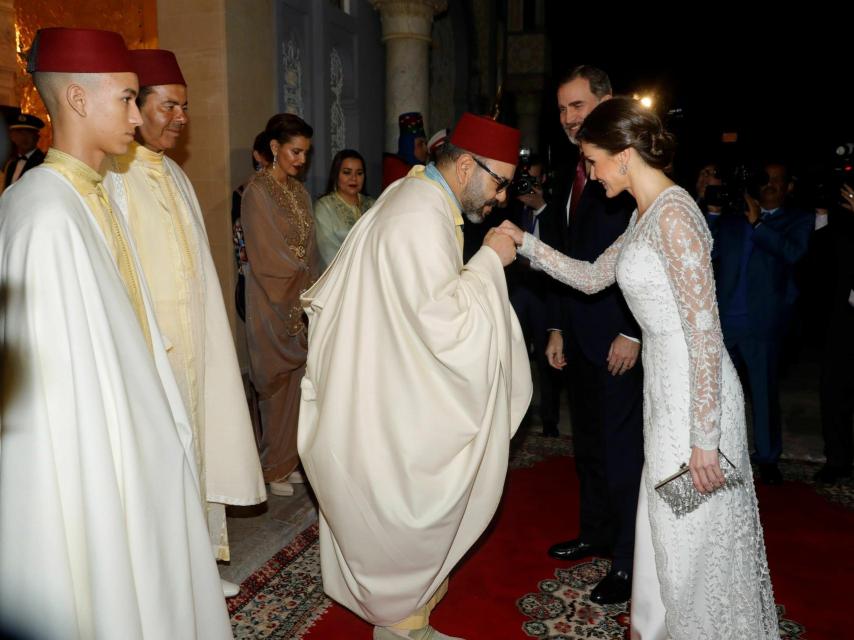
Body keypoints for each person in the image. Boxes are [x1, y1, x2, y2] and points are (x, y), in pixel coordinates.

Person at [497, 97, 777, 639]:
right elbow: (591, 277)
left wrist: (705, 438)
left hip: (696, 399)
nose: (590, 172)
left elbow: (704, 334)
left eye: (594, 161)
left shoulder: (675, 216)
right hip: (664, 392)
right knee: (665, 527)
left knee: (690, 535)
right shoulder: (643, 213)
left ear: (624, 156)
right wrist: (525, 242)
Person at [0, 27, 231, 639]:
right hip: (88, 454)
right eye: (128, 98)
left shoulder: (92, 194)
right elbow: (49, 394)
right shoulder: (42, 212)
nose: (138, 115)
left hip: (132, 434)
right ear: (77, 99)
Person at [298, 113, 532, 640]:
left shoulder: (421, 197)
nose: (499, 199)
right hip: (390, 391)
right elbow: (444, 325)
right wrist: (491, 262)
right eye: (498, 184)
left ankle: (409, 617)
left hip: (386, 374)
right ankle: (401, 627)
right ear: (468, 166)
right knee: (406, 501)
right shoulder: (420, 213)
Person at [104, 49, 266, 590]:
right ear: (134, 108)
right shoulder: (111, 180)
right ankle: (165, 576)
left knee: (194, 452)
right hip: (150, 354)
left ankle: (197, 564)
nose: (182, 118)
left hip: (193, 347)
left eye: (185, 106)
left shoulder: (175, 174)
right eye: (169, 106)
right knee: (156, 464)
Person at [531, 66, 644, 605]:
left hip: (619, 334)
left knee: (624, 449)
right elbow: (565, 255)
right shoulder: (568, 170)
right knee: (589, 445)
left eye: (577, 106)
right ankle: (596, 532)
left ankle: (627, 559)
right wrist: (555, 325)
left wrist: (632, 331)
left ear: (607, 101)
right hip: (575, 330)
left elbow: (645, 260)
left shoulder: (628, 168)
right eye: (561, 109)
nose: (568, 119)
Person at [706, 162, 813, 484]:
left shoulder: (798, 220)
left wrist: (758, 225)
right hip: (724, 322)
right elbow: (706, 251)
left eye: (777, 181)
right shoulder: (732, 220)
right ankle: (716, 452)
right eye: (765, 179)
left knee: (763, 393)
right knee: (716, 393)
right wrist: (712, 212)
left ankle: (767, 458)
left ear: (788, 187)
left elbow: (794, 253)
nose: (769, 185)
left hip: (762, 324)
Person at [242, 112, 319, 497]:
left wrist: (316, 286)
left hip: (299, 297)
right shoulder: (256, 192)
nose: (301, 160)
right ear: (274, 148)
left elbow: (311, 248)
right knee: (273, 383)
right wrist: (300, 280)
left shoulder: (300, 192)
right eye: (295, 151)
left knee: (298, 382)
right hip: (270, 298)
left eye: (305, 153)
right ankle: (272, 466)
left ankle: (290, 459)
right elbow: (267, 252)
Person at [232, 130, 273, 321]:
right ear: (257, 155)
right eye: (270, 155)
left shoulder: (293, 191)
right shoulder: (244, 193)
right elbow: (243, 246)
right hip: (256, 282)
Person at [313, 148, 376, 269]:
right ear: (336, 175)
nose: (353, 178)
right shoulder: (324, 207)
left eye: (359, 173)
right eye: (347, 172)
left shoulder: (373, 205)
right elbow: (327, 252)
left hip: (372, 274)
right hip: (340, 278)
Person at [382, 111, 428, 189]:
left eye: (425, 144)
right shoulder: (397, 171)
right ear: (408, 146)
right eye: (420, 144)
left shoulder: (417, 168)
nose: (426, 149)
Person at [3, 113, 46, 189]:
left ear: (37, 137)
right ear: (12, 136)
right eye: (20, 133)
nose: (24, 138)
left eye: (29, 133)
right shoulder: (10, 164)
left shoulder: (44, 163)